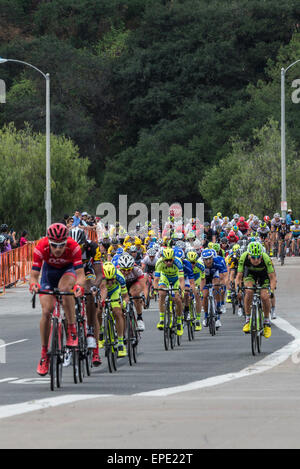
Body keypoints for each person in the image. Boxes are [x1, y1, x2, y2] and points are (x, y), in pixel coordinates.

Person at [29, 222, 86, 376]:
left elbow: (80, 274)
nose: (59, 249)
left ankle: (71, 328)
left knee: (65, 289)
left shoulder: (74, 246)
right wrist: (34, 285)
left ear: (66, 241)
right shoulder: (41, 247)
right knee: (46, 311)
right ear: (48, 242)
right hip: (49, 275)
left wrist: (79, 286)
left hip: (68, 272)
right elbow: (34, 275)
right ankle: (44, 355)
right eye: (54, 245)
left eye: (62, 245)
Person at [235, 241, 276, 339]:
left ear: (261, 256)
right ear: (249, 256)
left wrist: (271, 291)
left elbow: (273, 278)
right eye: (253, 257)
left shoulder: (266, 258)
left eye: (258, 257)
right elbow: (239, 276)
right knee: (249, 291)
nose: (256, 260)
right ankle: (248, 320)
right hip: (250, 274)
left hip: (264, 276)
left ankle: (266, 322)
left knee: (265, 297)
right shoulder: (244, 257)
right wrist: (238, 289)